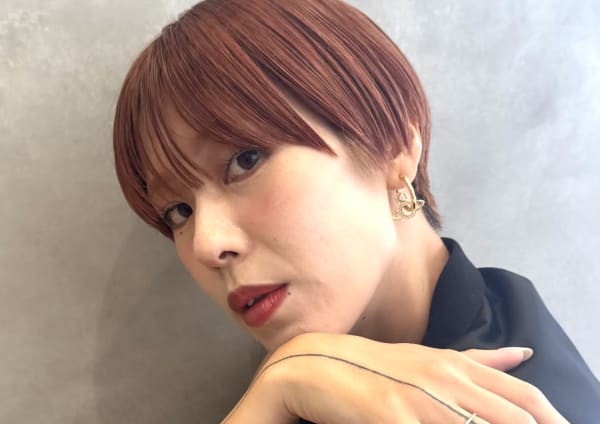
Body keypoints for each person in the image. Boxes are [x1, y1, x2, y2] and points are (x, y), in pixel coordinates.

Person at [112, 0, 600, 422]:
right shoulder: (319, 373)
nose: (207, 244)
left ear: (395, 144)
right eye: (178, 211)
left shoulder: (515, 398)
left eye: (245, 160)